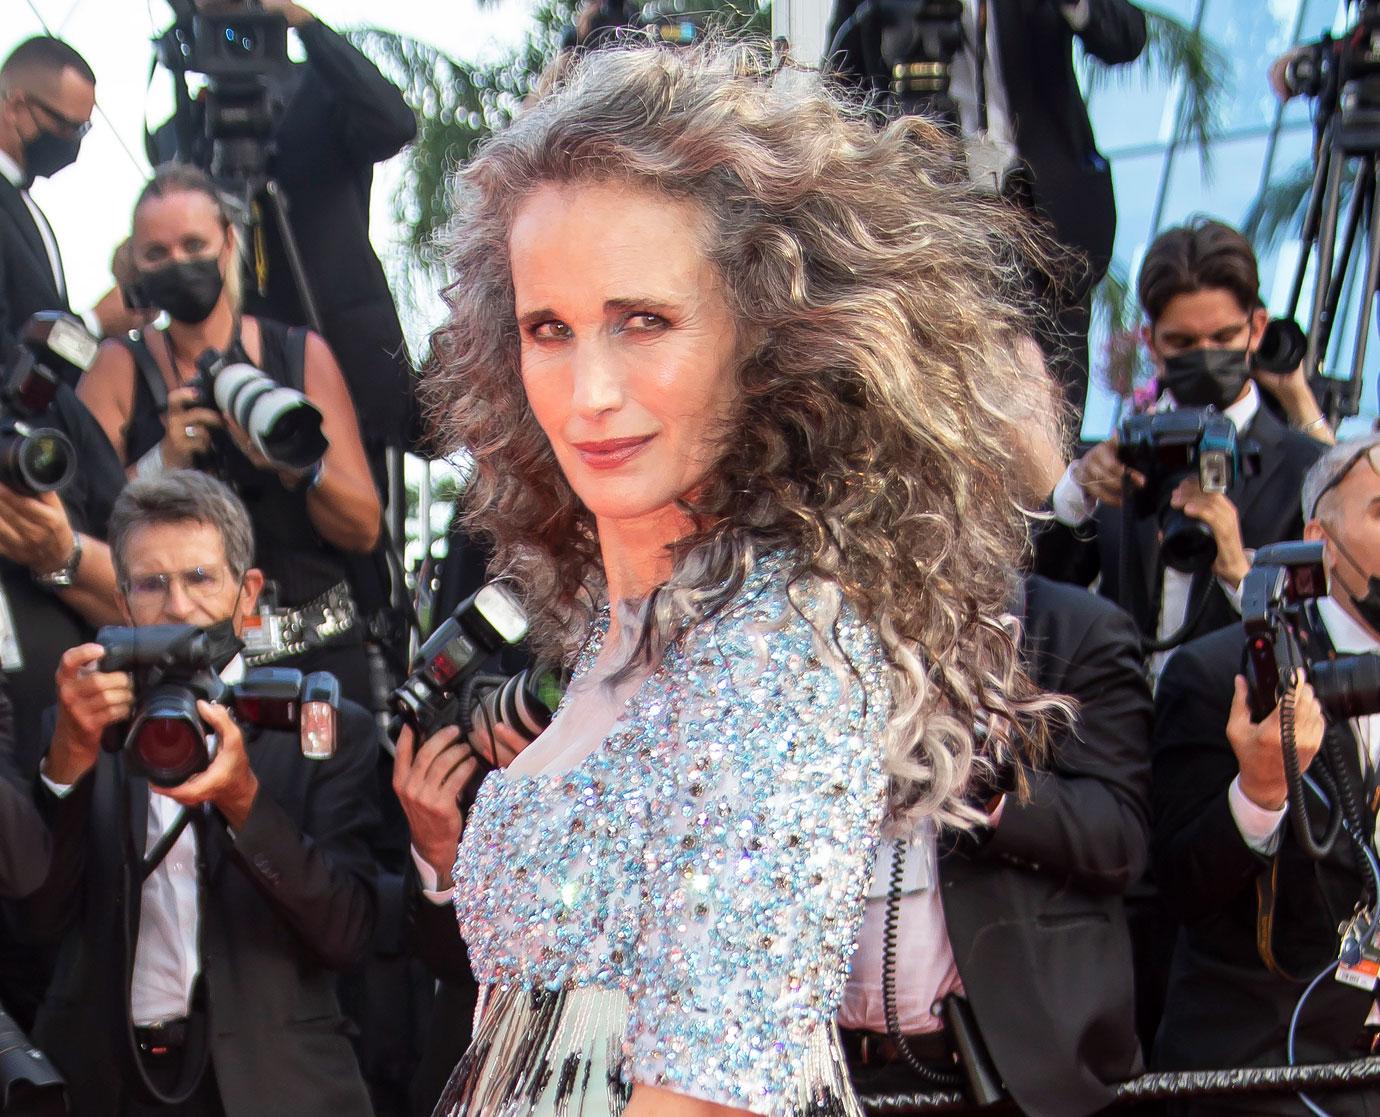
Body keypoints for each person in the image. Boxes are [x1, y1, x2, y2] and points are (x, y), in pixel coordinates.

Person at [401, 40, 1066, 1117]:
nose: (591, 391)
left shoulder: (781, 641)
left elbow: (712, 1094)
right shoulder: (629, 626)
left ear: (764, 336)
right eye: (549, 330)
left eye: (644, 320)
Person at [13, 470, 380, 1117]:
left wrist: (245, 802)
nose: (177, 606)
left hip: (276, 1084)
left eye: (200, 579)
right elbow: (36, 923)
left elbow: (349, 934)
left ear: (248, 595)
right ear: (123, 601)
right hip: (110, 1080)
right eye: (152, 584)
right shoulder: (79, 719)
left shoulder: (323, 726)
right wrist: (67, 760)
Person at [838, 574, 1151, 1116]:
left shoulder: (1068, 627)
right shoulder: (805, 621)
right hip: (830, 1073)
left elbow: (1119, 837)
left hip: (1005, 1074)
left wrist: (986, 780)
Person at [76, 163, 382, 708]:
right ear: (137, 265)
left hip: (318, 662)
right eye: (157, 253)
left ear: (228, 243)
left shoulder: (296, 353)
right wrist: (162, 461)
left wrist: (295, 461)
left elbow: (364, 526)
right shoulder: (119, 366)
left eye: (194, 243)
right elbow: (86, 526)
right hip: (180, 673)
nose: (179, 263)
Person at [1151, 434, 1380, 1116]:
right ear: (1322, 537)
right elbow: (1179, 886)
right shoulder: (1221, 673)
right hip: (1259, 1066)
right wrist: (1259, 793)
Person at [1035, 219, 1327, 678]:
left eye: (1223, 337)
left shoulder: (1306, 470)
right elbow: (1035, 593)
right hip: (1118, 729)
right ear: (1151, 342)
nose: (1206, 354)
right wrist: (1076, 491)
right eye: (1183, 342)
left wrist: (1240, 574)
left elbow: (1323, 633)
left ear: (1257, 329)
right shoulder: (1119, 455)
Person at [825, 0, 1147, 416]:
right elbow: (838, 86)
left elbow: (1126, 37)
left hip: (1043, 214)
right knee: (947, 397)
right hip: (933, 213)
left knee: (1056, 401)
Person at [156, 0, 418, 469]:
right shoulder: (183, 131)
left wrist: (305, 23)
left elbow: (394, 126)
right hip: (242, 375)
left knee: (363, 523)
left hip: (350, 364)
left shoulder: (319, 91)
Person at [0, 36, 151, 355]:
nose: (75, 144)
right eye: (70, 127)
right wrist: (95, 324)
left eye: (85, 129)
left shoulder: (23, 203)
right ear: (16, 107)